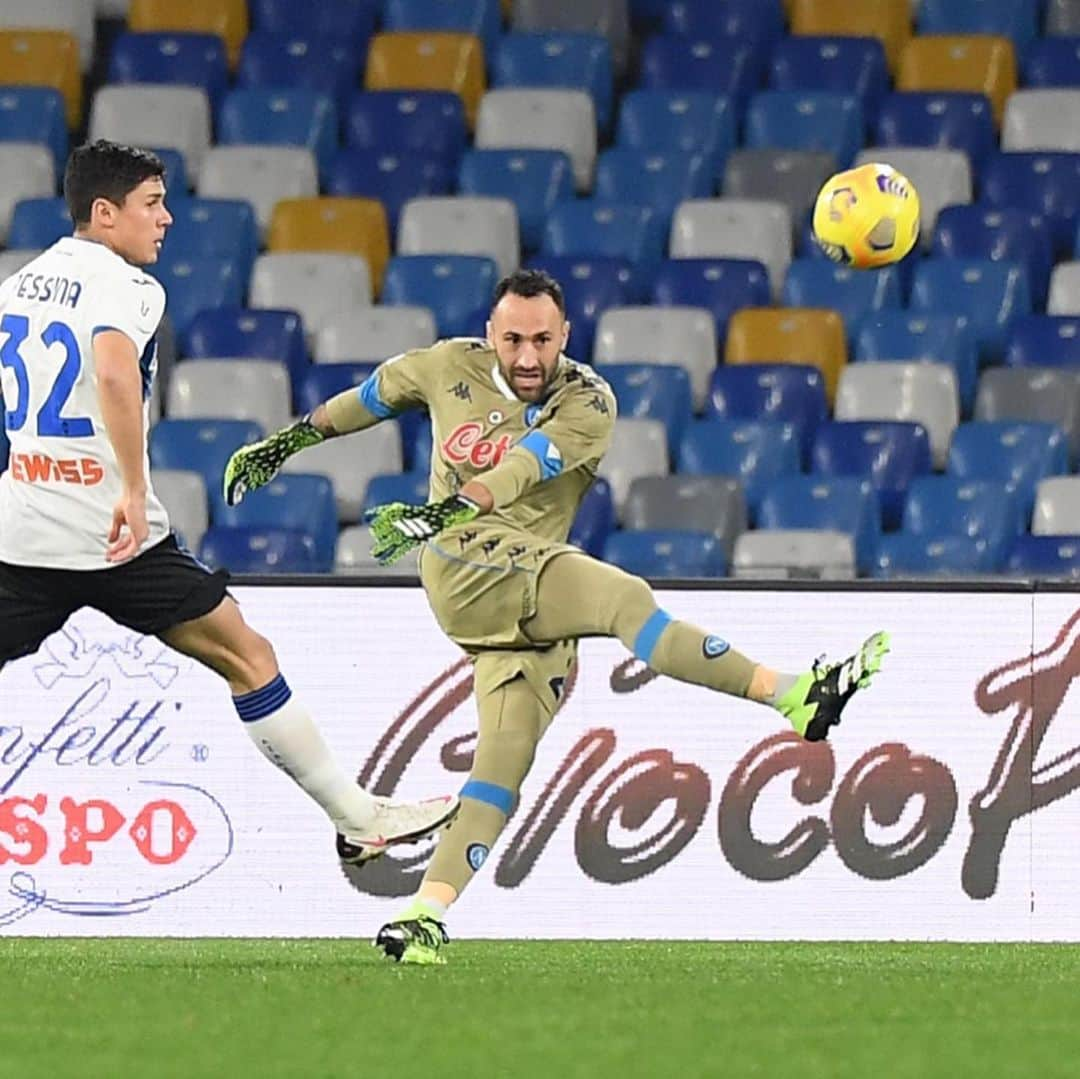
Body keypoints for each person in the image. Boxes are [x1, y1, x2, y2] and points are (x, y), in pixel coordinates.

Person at [224, 268, 889, 964]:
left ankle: (424, 914)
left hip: (518, 578)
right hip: (461, 564)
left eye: (543, 339)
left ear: (565, 335)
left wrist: (453, 502)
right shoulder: (446, 365)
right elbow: (370, 398)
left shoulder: (589, 403)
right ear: (490, 333)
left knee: (503, 761)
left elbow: (523, 465)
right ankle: (793, 693)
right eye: (513, 338)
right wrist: (288, 442)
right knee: (625, 600)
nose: (528, 356)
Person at [0, 139, 459, 867]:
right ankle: (358, 816)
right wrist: (132, 483)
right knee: (247, 655)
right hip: (115, 537)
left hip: (22, 533)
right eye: (151, 204)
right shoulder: (131, 288)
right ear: (103, 211)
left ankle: (360, 816)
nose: (167, 219)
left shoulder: (18, 285)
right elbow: (115, 374)